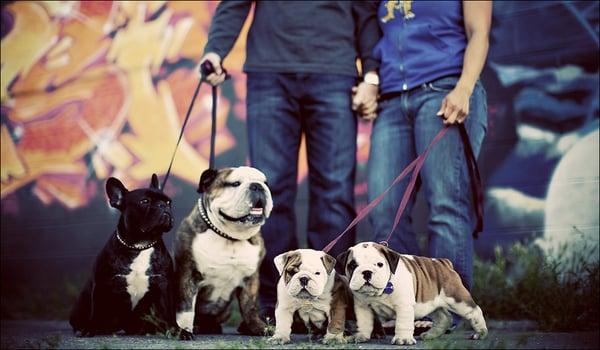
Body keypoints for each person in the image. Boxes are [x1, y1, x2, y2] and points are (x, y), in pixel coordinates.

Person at [199, 1, 381, 322]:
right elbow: (234, 4)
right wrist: (215, 51)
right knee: (270, 195)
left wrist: (371, 74)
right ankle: (273, 303)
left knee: (335, 193)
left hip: (335, 72)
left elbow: (365, 12)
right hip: (269, 73)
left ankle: (331, 306)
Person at [356, 0, 492, 298]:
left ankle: (449, 309)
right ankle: (406, 303)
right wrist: (371, 82)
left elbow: (479, 32)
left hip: (444, 89)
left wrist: (464, 87)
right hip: (392, 100)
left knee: (446, 205)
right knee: (385, 210)